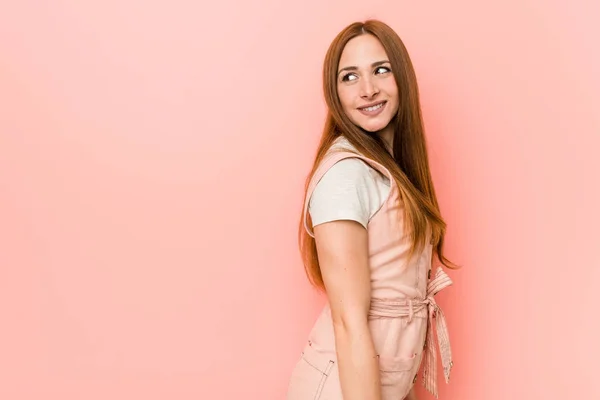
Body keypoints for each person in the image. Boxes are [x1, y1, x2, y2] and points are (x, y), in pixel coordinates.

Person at [286, 19, 461, 400]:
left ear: (402, 78)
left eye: (381, 70)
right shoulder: (346, 175)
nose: (368, 90)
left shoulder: (389, 172)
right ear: (334, 94)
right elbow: (350, 323)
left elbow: (397, 315)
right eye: (349, 77)